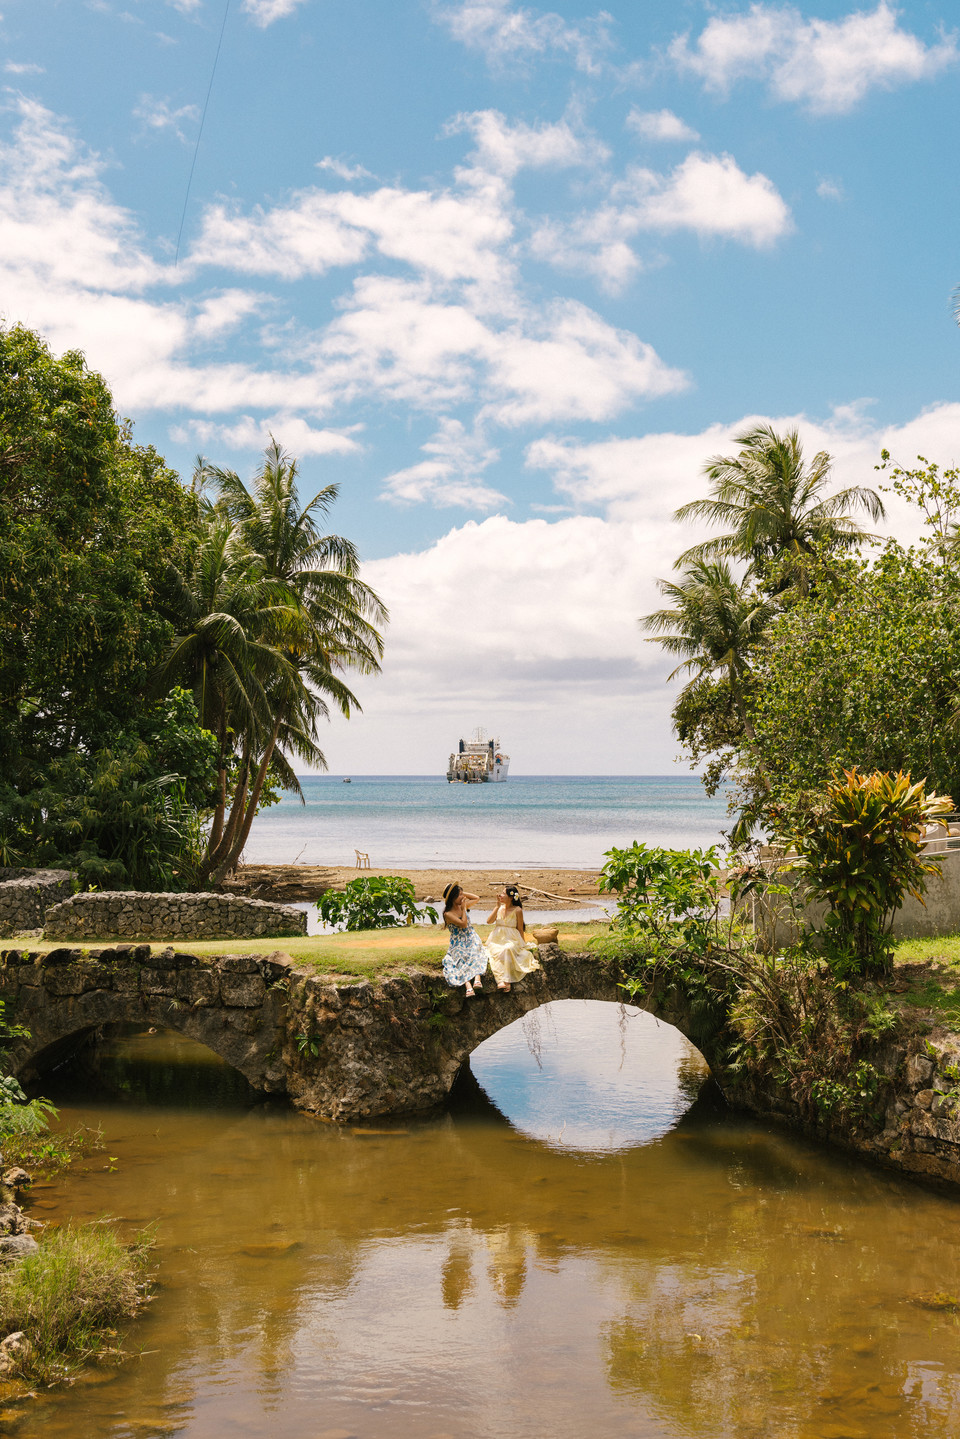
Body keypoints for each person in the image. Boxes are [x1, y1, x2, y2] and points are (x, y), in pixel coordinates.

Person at [485, 885, 540, 992]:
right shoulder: (499, 908)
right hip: (497, 939)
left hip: (512, 939)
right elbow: (489, 921)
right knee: (498, 952)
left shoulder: (517, 910)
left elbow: (520, 929)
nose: (500, 895)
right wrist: (496, 906)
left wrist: (522, 944)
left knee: (507, 949)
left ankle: (505, 981)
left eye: (503, 893)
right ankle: (502, 981)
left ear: (510, 897)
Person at [442, 882, 489, 997]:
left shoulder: (462, 905)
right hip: (458, 941)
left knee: (475, 952)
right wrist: (463, 908)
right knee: (460, 957)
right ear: (452, 898)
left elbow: (476, 898)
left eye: (462, 895)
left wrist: (461, 893)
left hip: (470, 936)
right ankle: (468, 986)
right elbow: (463, 924)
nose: (463, 897)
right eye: (459, 895)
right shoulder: (448, 913)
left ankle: (477, 979)